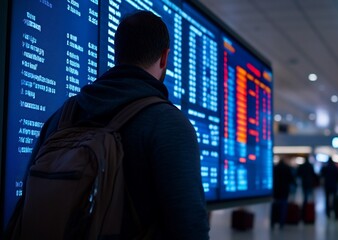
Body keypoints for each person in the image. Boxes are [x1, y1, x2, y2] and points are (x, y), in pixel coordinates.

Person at [21, 11, 210, 239]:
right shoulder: (169, 124)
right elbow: (190, 228)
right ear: (164, 57)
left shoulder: (61, 117)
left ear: (116, 52)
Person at [271, 157, 296, 228]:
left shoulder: (275, 168)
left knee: (275, 206)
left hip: (276, 191)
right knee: (283, 207)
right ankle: (281, 222)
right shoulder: (286, 168)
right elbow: (291, 179)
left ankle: (273, 222)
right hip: (284, 190)